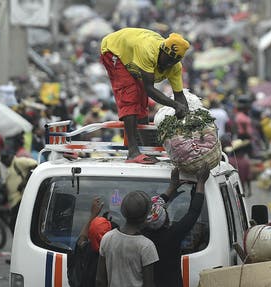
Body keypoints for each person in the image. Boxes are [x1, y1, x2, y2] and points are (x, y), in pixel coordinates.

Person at [100, 28, 190, 164]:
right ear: (162, 51)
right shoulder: (148, 50)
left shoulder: (175, 67)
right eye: (167, 60)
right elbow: (149, 89)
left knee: (142, 102)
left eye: (173, 62)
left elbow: (179, 96)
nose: (168, 65)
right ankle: (132, 152)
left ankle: (146, 149)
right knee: (130, 95)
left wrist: (187, 119)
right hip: (114, 49)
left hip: (132, 54)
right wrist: (174, 105)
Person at [143, 165, 210, 287]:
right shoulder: (171, 236)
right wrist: (200, 183)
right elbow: (193, 212)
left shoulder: (141, 233)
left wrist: (171, 188)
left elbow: (154, 209)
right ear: (166, 221)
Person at [96, 191, 158, 287]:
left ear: (123, 211)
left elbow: (100, 280)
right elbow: (149, 284)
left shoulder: (107, 238)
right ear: (146, 215)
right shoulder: (146, 246)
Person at [68, 197, 112, 287]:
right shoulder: (115, 253)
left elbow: (81, 239)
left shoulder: (86, 250)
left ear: (91, 234)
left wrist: (93, 215)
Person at [0, 150, 37, 234]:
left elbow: (35, 164)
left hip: (21, 197)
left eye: (5, 161)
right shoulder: (8, 167)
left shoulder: (18, 161)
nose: (5, 164)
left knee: (13, 224)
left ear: (8, 158)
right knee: (17, 224)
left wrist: (24, 182)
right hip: (13, 200)